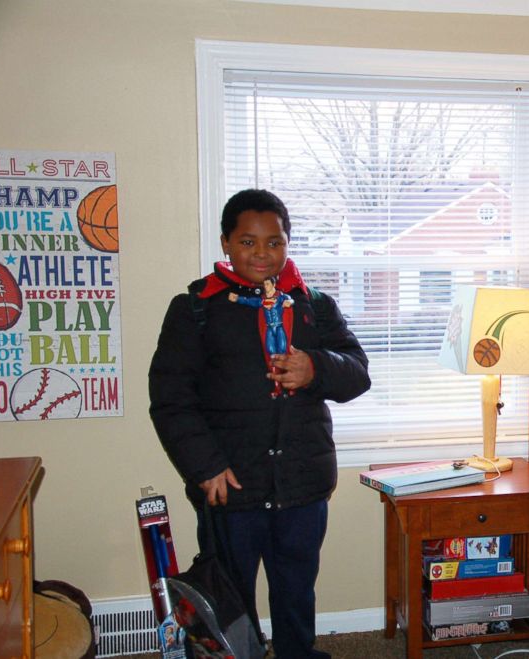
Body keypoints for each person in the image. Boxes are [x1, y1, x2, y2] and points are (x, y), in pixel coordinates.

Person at [149, 189, 370, 658]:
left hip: (302, 481)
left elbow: (357, 372)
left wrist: (315, 367)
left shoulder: (313, 305)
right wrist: (204, 466)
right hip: (229, 484)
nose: (262, 254)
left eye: (274, 242)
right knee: (231, 598)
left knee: (296, 590)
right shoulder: (195, 309)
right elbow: (170, 399)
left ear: (287, 243)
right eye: (248, 242)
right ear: (226, 243)